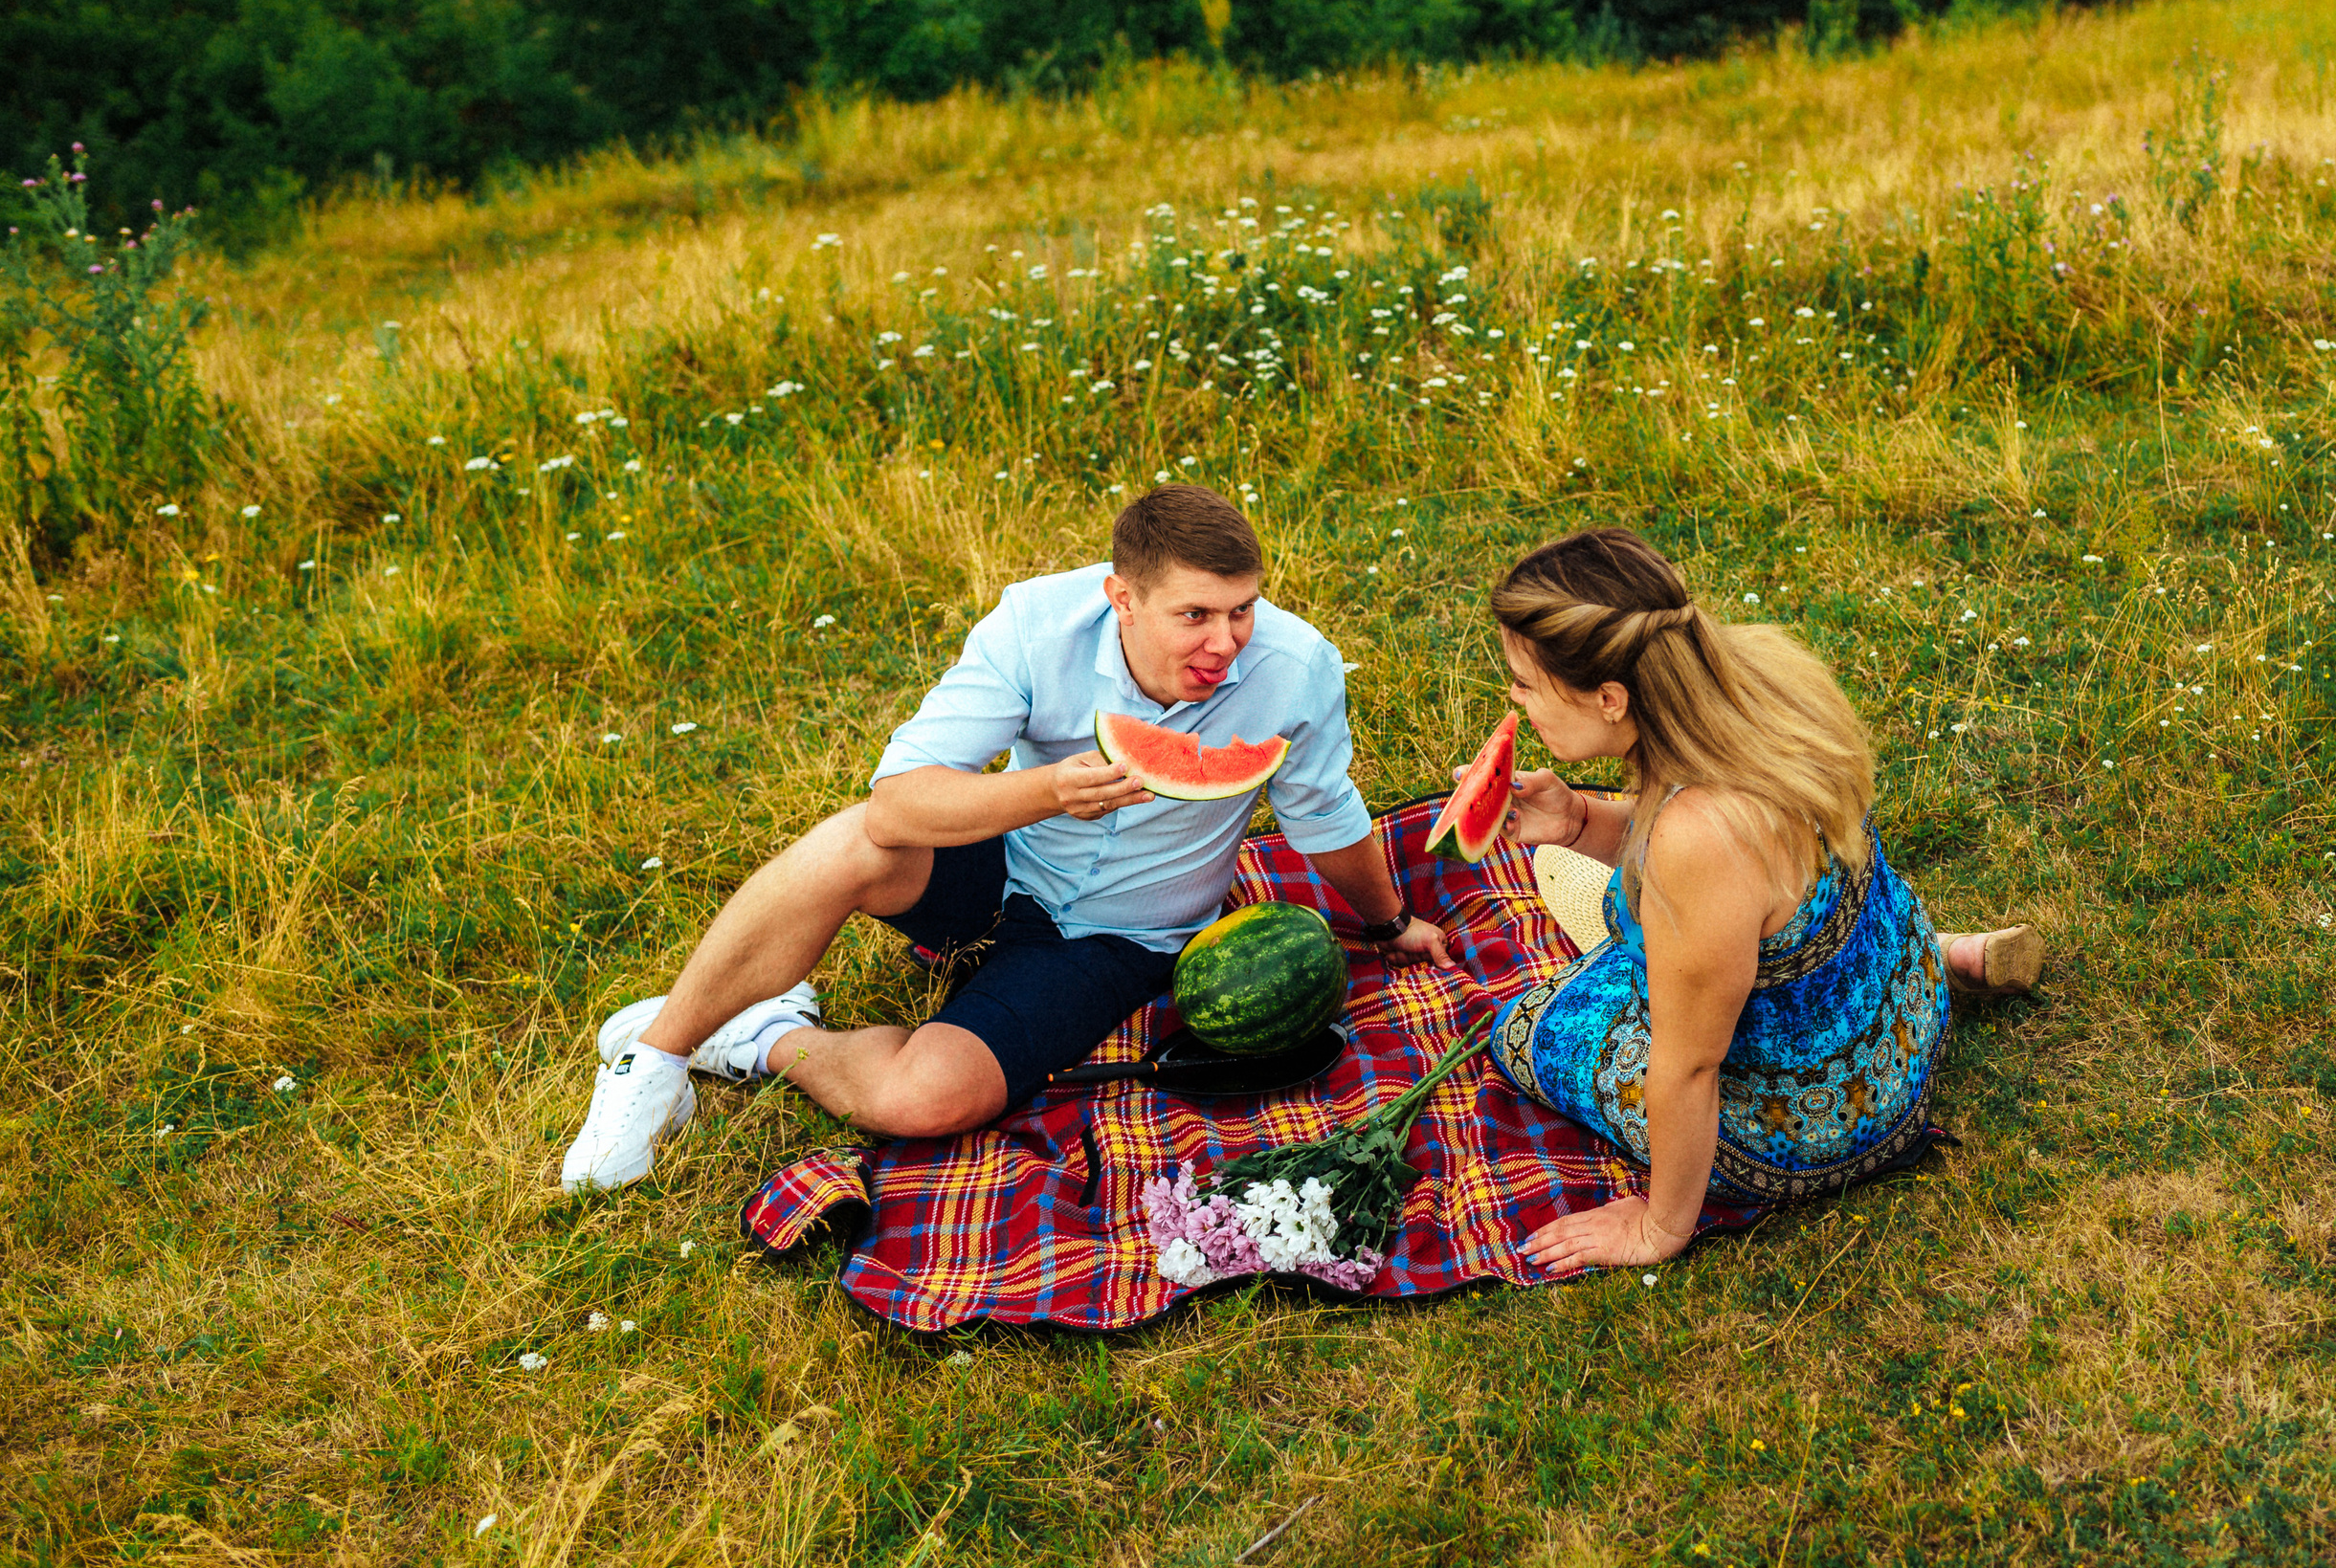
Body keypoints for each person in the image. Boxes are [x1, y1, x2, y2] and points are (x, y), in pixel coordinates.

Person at [559, 485, 1453, 1192]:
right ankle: (659, 1058)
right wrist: (1048, 791)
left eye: (1243, 609)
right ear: (1122, 599)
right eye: (1196, 616)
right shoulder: (1035, 626)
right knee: (847, 845)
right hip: (1008, 864)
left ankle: (766, 1037)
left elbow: (1323, 815)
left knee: (926, 1097)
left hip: (1120, 938)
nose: (1226, 641)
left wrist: (1383, 923)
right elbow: (895, 806)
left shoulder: (1295, 668)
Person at [1480, 528, 2042, 1271]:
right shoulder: (1751, 678)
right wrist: (1579, 820)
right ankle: (1947, 955)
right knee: (1675, 937)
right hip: (1901, 1003)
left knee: (1527, 1029)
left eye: (1524, 682)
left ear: (1610, 697)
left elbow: (1687, 1068)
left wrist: (1658, 1227)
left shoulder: (1694, 836)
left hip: (1829, 1116)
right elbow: (1751, 880)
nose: (1514, 700)